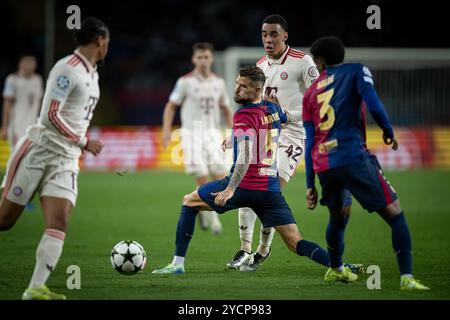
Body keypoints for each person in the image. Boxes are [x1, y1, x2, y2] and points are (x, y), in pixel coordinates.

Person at [152, 66, 361, 275]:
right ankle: (341, 267)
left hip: (243, 185)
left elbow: (244, 156)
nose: (237, 90)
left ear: (258, 89)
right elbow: (280, 121)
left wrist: (230, 189)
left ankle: (177, 264)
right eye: (237, 84)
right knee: (295, 242)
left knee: (189, 202)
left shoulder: (243, 114)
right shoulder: (272, 108)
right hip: (270, 191)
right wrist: (235, 136)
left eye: (244, 87)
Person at [302, 36, 430, 290]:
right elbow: (373, 103)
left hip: (325, 165)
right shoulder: (357, 71)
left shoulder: (310, 93)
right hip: (352, 156)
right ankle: (407, 278)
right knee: (395, 214)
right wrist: (387, 129)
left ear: (319, 61)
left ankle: (336, 269)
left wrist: (309, 184)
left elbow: (309, 141)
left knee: (338, 218)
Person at [0, 17, 109, 299]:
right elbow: (50, 116)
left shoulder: (92, 73)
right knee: (5, 220)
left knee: (59, 220)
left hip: (66, 159)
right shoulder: (66, 69)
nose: (107, 47)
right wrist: (84, 142)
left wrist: (77, 146)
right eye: (107, 42)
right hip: (39, 151)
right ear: (100, 41)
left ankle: (35, 287)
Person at [227, 14, 320, 271]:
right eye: (264, 34)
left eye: (274, 34)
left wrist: (288, 115)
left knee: (268, 192)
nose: (268, 39)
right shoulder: (260, 67)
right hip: (268, 132)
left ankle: (263, 250)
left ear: (285, 36)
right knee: (247, 186)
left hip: (293, 134)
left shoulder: (303, 63)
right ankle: (245, 249)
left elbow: (319, 103)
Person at [162, 42, 233, 235]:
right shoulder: (185, 82)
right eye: (199, 57)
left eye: (206, 57)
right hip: (191, 134)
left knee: (221, 176)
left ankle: (203, 208)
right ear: (194, 59)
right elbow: (171, 105)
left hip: (212, 133)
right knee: (201, 176)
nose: (203, 61)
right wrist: (167, 130)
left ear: (211, 58)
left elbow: (226, 108)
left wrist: (233, 132)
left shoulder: (218, 82)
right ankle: (213, 218)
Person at [1, 55, 43, 150]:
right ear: (20, 63)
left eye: (33, 62)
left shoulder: (37, 80)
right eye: (27, 62)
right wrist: (4, 127)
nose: (31, 65)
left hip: (33, 126)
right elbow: (7, 104)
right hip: (17, 127)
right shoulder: (12, 80)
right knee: (17, 156)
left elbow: (39, 103)